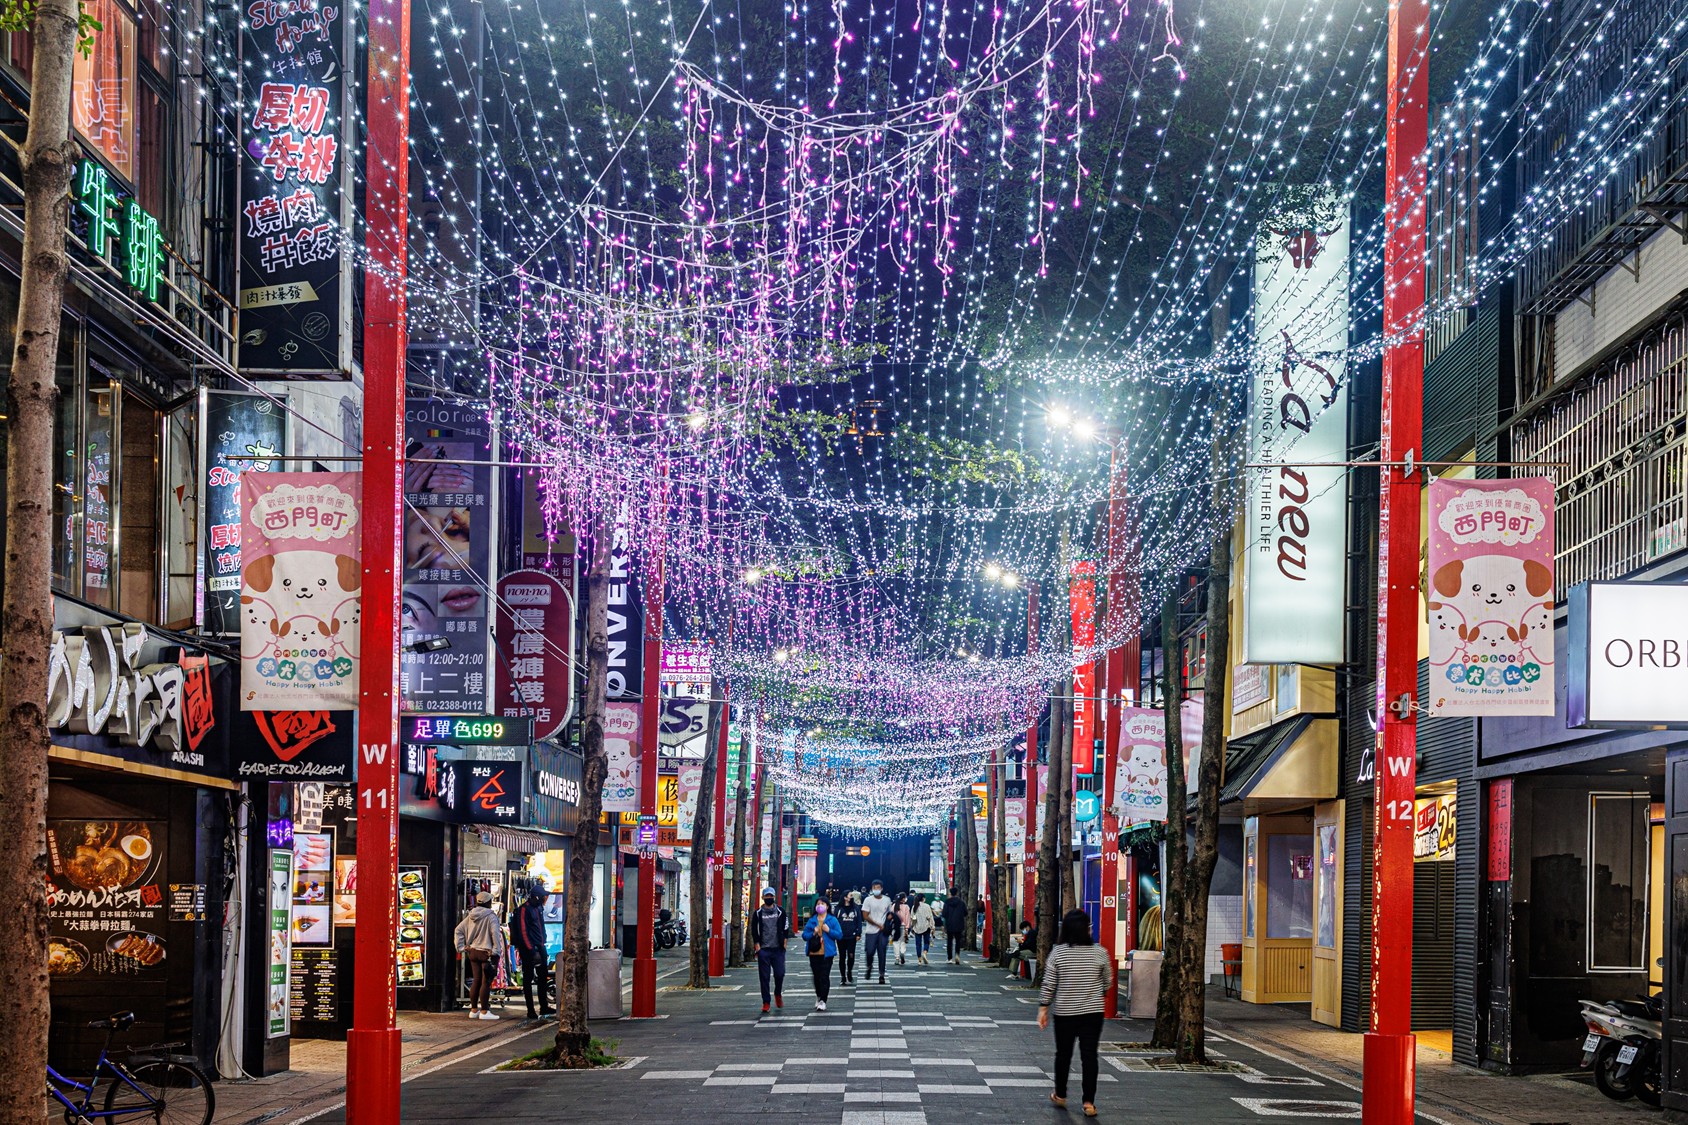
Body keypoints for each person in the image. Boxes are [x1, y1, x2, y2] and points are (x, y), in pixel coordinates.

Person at [1038, 909, 1111, 1117]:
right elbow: (1108, 981)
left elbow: (1049, 983)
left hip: (1065, 1013)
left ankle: (1060, 1094)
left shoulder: (1058, 953)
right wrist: (1096, 994)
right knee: (1089, 1056)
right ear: (1087, 929)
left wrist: (1043, 1007)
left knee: (1063, 1054)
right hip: (1093, 1012)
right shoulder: (1100, 952)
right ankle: (1089, 1102)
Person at [453, 890, 507, 1020]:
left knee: (476, 980)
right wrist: (496, 951)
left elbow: (458, 930)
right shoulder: (491, 916)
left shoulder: (470, 916)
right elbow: (495, 934)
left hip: (473, 952)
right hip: (486, 952)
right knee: (485, 982)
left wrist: (460, 947)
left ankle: (473, 1010)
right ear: (488, 903)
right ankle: (484, 1011)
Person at [510, 886, 554, 1019]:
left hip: (540, 946)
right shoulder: (524, 909)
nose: (544, 899)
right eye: (543, 896)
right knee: (528, 978)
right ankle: (530, 1009)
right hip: (529, 949)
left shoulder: (538, 909)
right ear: (536, 897)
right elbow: (523, 931)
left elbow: (540, 927)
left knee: (542, 977)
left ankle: (544, 1006)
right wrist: (530, 949)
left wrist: (542, 943)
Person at [750, 886, 789, 1014]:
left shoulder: (780, 912)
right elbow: (754, 929)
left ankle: (778, 993)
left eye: (771, 896)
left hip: (778, 949)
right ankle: (766, 1002)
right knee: (764, 977)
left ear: (774, 897)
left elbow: (786, 926)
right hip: (764, 949)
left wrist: (784, 940)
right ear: (763, 897)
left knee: (780, 973)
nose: (769, 898)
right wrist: (757, 945)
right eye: (766, 896)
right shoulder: (758, 913)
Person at [801, 899, 844, 1010]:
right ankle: (819, 995)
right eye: (818, 904)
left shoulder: (832, 920)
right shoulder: (812, 920)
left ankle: (823, 1000)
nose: (820, 906)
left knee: (824, 976)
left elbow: (839, 935)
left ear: (827, 906)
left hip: (827, 953)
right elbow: (804, 935)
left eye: (822, 904)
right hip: (814, 952)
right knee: (816, 976)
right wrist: (813, 933)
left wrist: (829, 930)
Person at [860, 880, 892, 983]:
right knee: (869, 952)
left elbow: (889, 914)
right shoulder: (868, 900)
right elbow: (865, 916)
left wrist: (889, 921)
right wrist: (877, 924)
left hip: (883, 932)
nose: (876, 890)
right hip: (871, 931)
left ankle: (881, 975)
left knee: (882, 953)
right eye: (874, 888)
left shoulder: (887, 900)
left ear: (882, 888)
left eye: (878, 888)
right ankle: (869, 966)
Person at [836, 891, 863, 984]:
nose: (851, 897)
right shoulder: (838, 908)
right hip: (841, 937)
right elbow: (835, 921)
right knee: (842, 956)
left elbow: (859, 921)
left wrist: (859, 933)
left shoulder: (855, 908)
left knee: (851, 956)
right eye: (850, 895)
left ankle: (849, 972)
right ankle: (843, 976)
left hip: (852, 936)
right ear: (845, 897)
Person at [942, 888, 968, 963]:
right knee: (958, 941)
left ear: (950, 893)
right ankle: (957, 954)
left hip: (949, 924)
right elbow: (965, 913)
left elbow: (944, 914)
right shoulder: (961, 902)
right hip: (959, 924)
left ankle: (949, 958)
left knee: (949, 941)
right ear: (957, 893)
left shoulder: (947, 902)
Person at [909, 893, 936, 965]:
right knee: (926, 942)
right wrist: (933, 926)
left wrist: (912, 927)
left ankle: (919, 960)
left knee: (918, 944)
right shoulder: (927, 906)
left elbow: (912, 918)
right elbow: (930, 917)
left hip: (917, 927)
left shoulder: (914, 907)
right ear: (923, 898)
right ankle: (924, 953)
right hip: (926, 927)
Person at [892, 893, 911, 965]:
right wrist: (907, 928)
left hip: (895, 927)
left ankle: (897, 958)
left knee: (896, 942)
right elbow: (907, 918)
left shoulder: (894, 906)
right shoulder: (906, 907)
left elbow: (891, 917)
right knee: (903, 942)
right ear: (903, 899)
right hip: (903, 926)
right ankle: (902, 953)